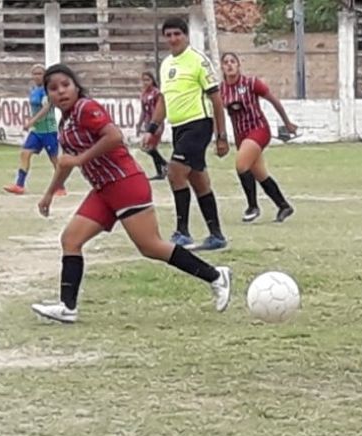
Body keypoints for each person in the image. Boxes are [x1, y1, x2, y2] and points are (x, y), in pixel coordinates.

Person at [30, 64, 232, 324]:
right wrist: (49, 193)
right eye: (54, 89)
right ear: (48, 96)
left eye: (65, 85)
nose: (61, 92)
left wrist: (81, 159)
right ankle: (67, 307)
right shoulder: (65, 123)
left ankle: (216, 275)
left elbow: (113, 137)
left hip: (125, 182)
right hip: (104, 190)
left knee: (151, 246)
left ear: (76, 87)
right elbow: (66, 162)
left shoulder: (85, 108)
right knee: (70, 240)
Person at [142, 17, 229, 251]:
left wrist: (222, 136)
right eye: (168, 35)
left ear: (186, 35)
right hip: (179, 128)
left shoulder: (198, 61)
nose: (172, 39)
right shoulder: (166, 64)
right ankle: (216, 235)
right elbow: (163, 100)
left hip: (199, 124)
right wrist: (152, 129)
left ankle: (182, 232)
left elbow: (216, 99)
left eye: (177, 34)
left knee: (175, 171)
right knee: (198, 180)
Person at [220, 52, 296, 223]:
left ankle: (252, 206)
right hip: (241, 135)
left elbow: (273, 100)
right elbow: (218, 113)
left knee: (241, 165)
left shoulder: (250, 83)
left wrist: (287, 122)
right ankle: (283, 206)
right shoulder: (221, 90)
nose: (230, 65)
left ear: (239, 65)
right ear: (222, 67)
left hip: (258, 129)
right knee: (260, 174)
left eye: (233, 61)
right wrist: (221, 137)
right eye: (226, 62)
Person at [3, 64, 66, 196]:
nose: (37, 76)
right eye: (35, 74)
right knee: (25, 153)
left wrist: (32, 121)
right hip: (37, 130)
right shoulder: (34, 90)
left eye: (40, 73)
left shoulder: (48, 90)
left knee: (54, 159)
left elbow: (47, 107)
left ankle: (60, 187)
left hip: (48, 130)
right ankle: (19, 185)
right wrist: (30, 119)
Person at [135, 71, 168, 180]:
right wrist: (139, 124)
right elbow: (143, 111)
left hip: (156, 124)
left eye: (148, 80)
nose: (145, 82)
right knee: (150, 147)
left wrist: (157, 124)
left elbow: (160, 109)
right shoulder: (143, 94)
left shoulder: (156, 93)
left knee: (148, 147)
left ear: (152, 81)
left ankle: (165, 164)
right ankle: (161, 171)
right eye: (143, 80)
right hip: (147, 123)